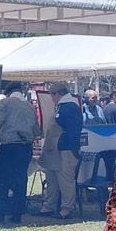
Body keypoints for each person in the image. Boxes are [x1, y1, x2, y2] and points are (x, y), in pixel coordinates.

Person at [0, 82, 41, 224]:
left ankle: (0, 213)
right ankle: (17, 214)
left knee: (1, 180)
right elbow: (37, 131)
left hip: (10, 145)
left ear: (8, 92)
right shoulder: (30, 106)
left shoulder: (5, 103)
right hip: (25, 148)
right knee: (21, 180)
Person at [38, 82, 82, 219]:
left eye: (52, 95)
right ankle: (49, 206)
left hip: (66, 150)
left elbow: (73, 130)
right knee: (53, 180)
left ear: (57, 94)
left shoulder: (69, 107)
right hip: (57, 150)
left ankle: (66, 209)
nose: (51, 98)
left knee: (65, 180)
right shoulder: (63, 107)